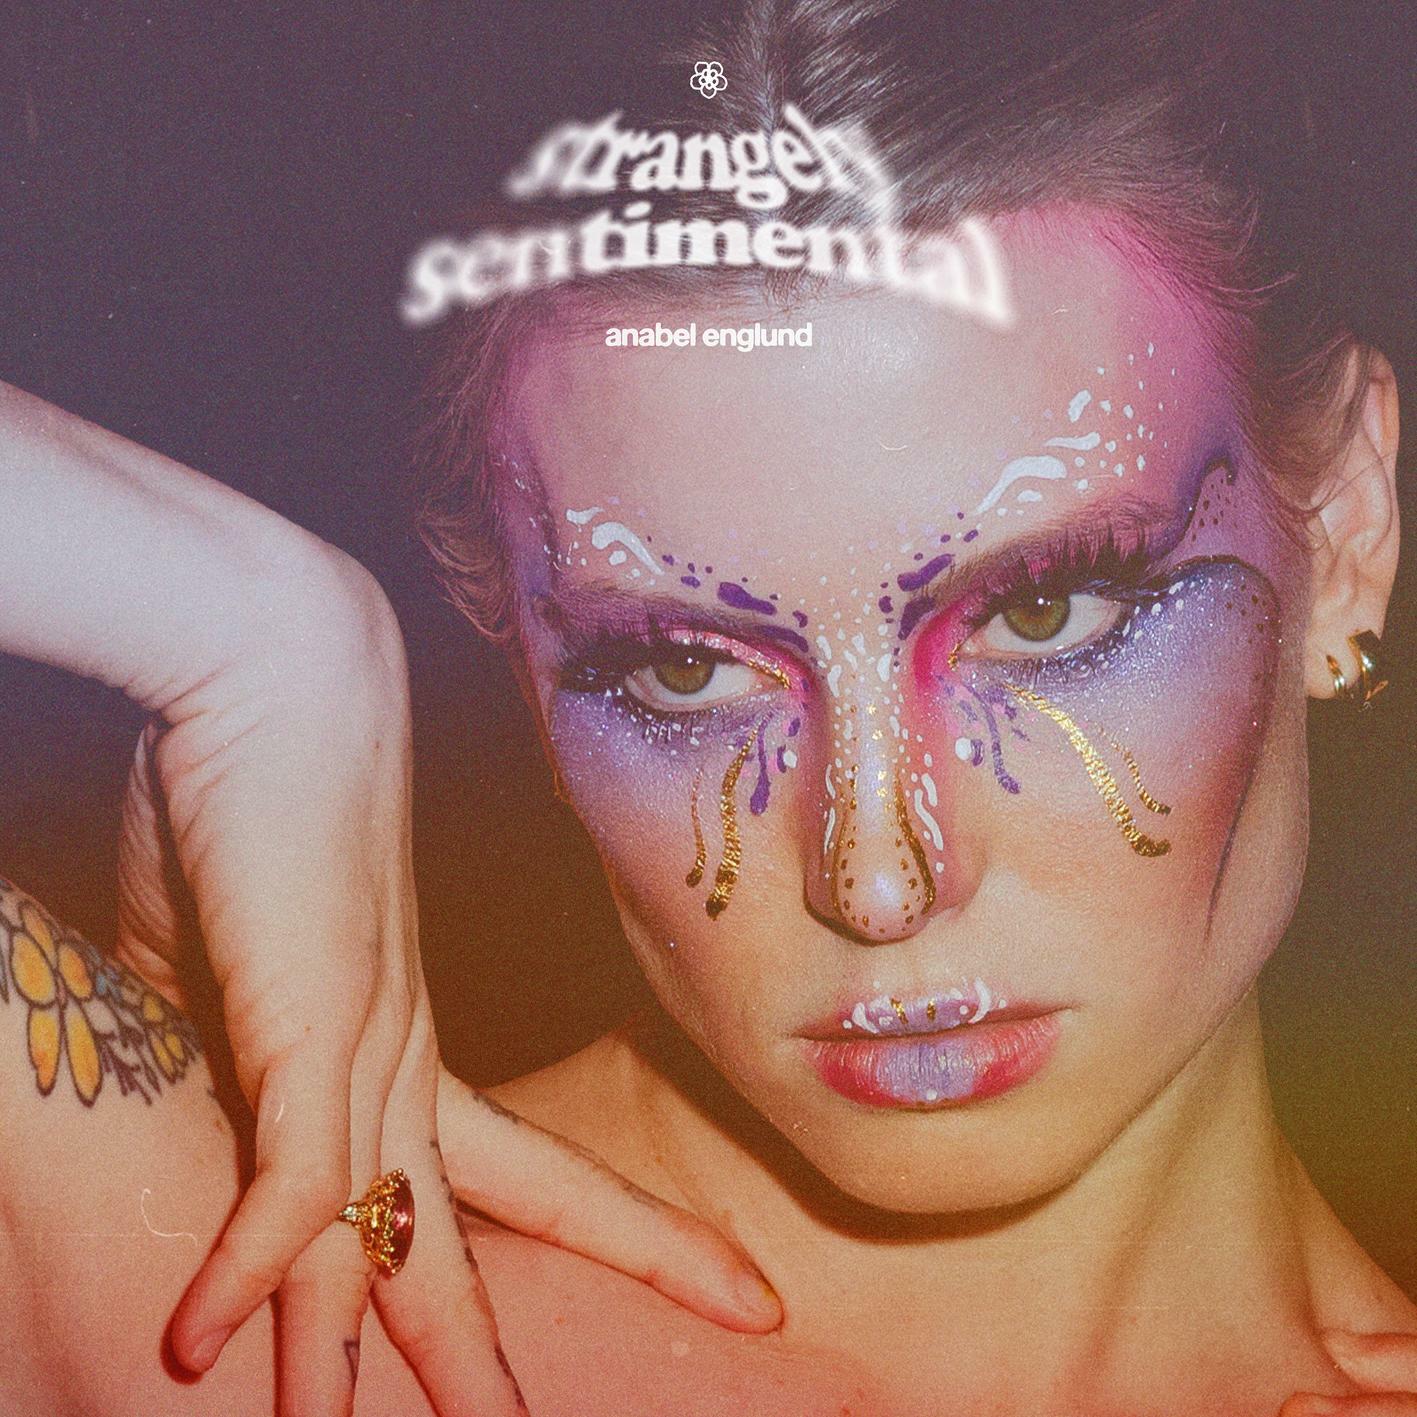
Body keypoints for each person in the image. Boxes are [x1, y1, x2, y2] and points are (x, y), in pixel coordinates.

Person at [1, 1, 1414, 1413]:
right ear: (519, 654)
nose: (877, 880)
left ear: (1347, 525)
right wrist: (253, 624)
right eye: (683, 670)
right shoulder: (214, 1296)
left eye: (1043, 613)